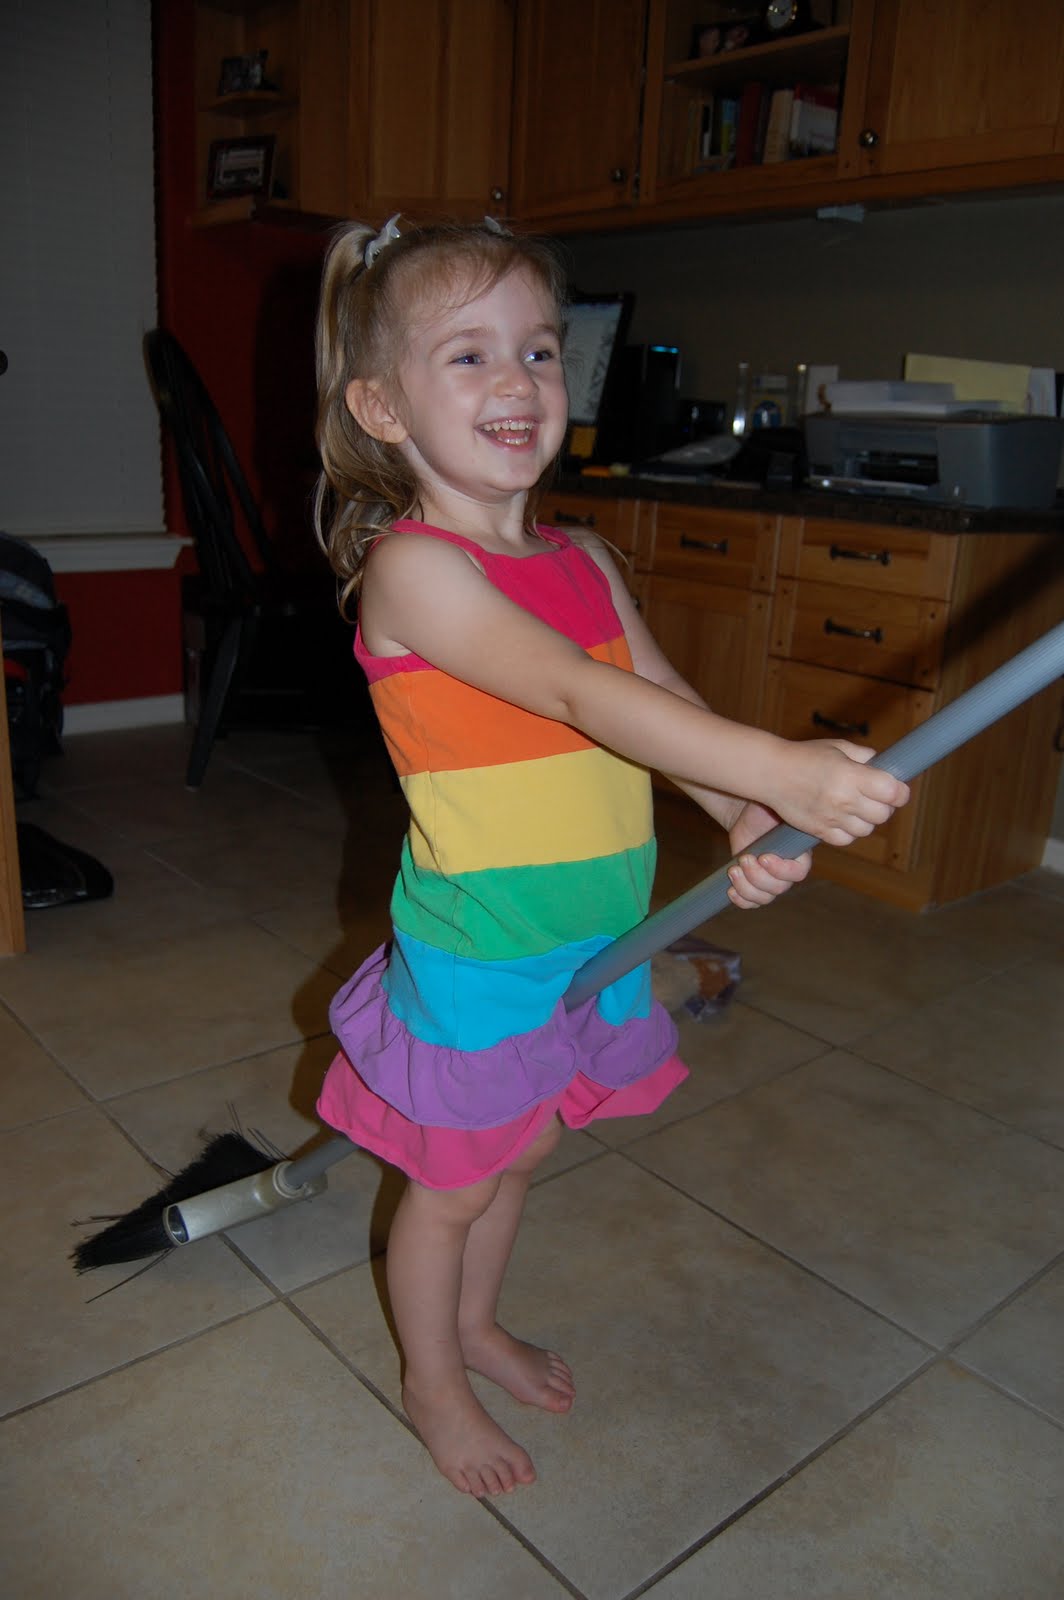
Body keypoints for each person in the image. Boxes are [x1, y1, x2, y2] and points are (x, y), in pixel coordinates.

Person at [311, 214, 908, 1500]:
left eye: (537, 350)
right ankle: (432, 1381)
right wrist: (779, 766)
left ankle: (476, 1325)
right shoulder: (412, 571)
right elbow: (575, 693)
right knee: (452, 1185)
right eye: (467, 355)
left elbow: (658, 693)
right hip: (481, 948)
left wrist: (735, 806)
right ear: (381, 407)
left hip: (594, 928)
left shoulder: (578, 556)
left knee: (524, 1151)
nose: (517, 380)